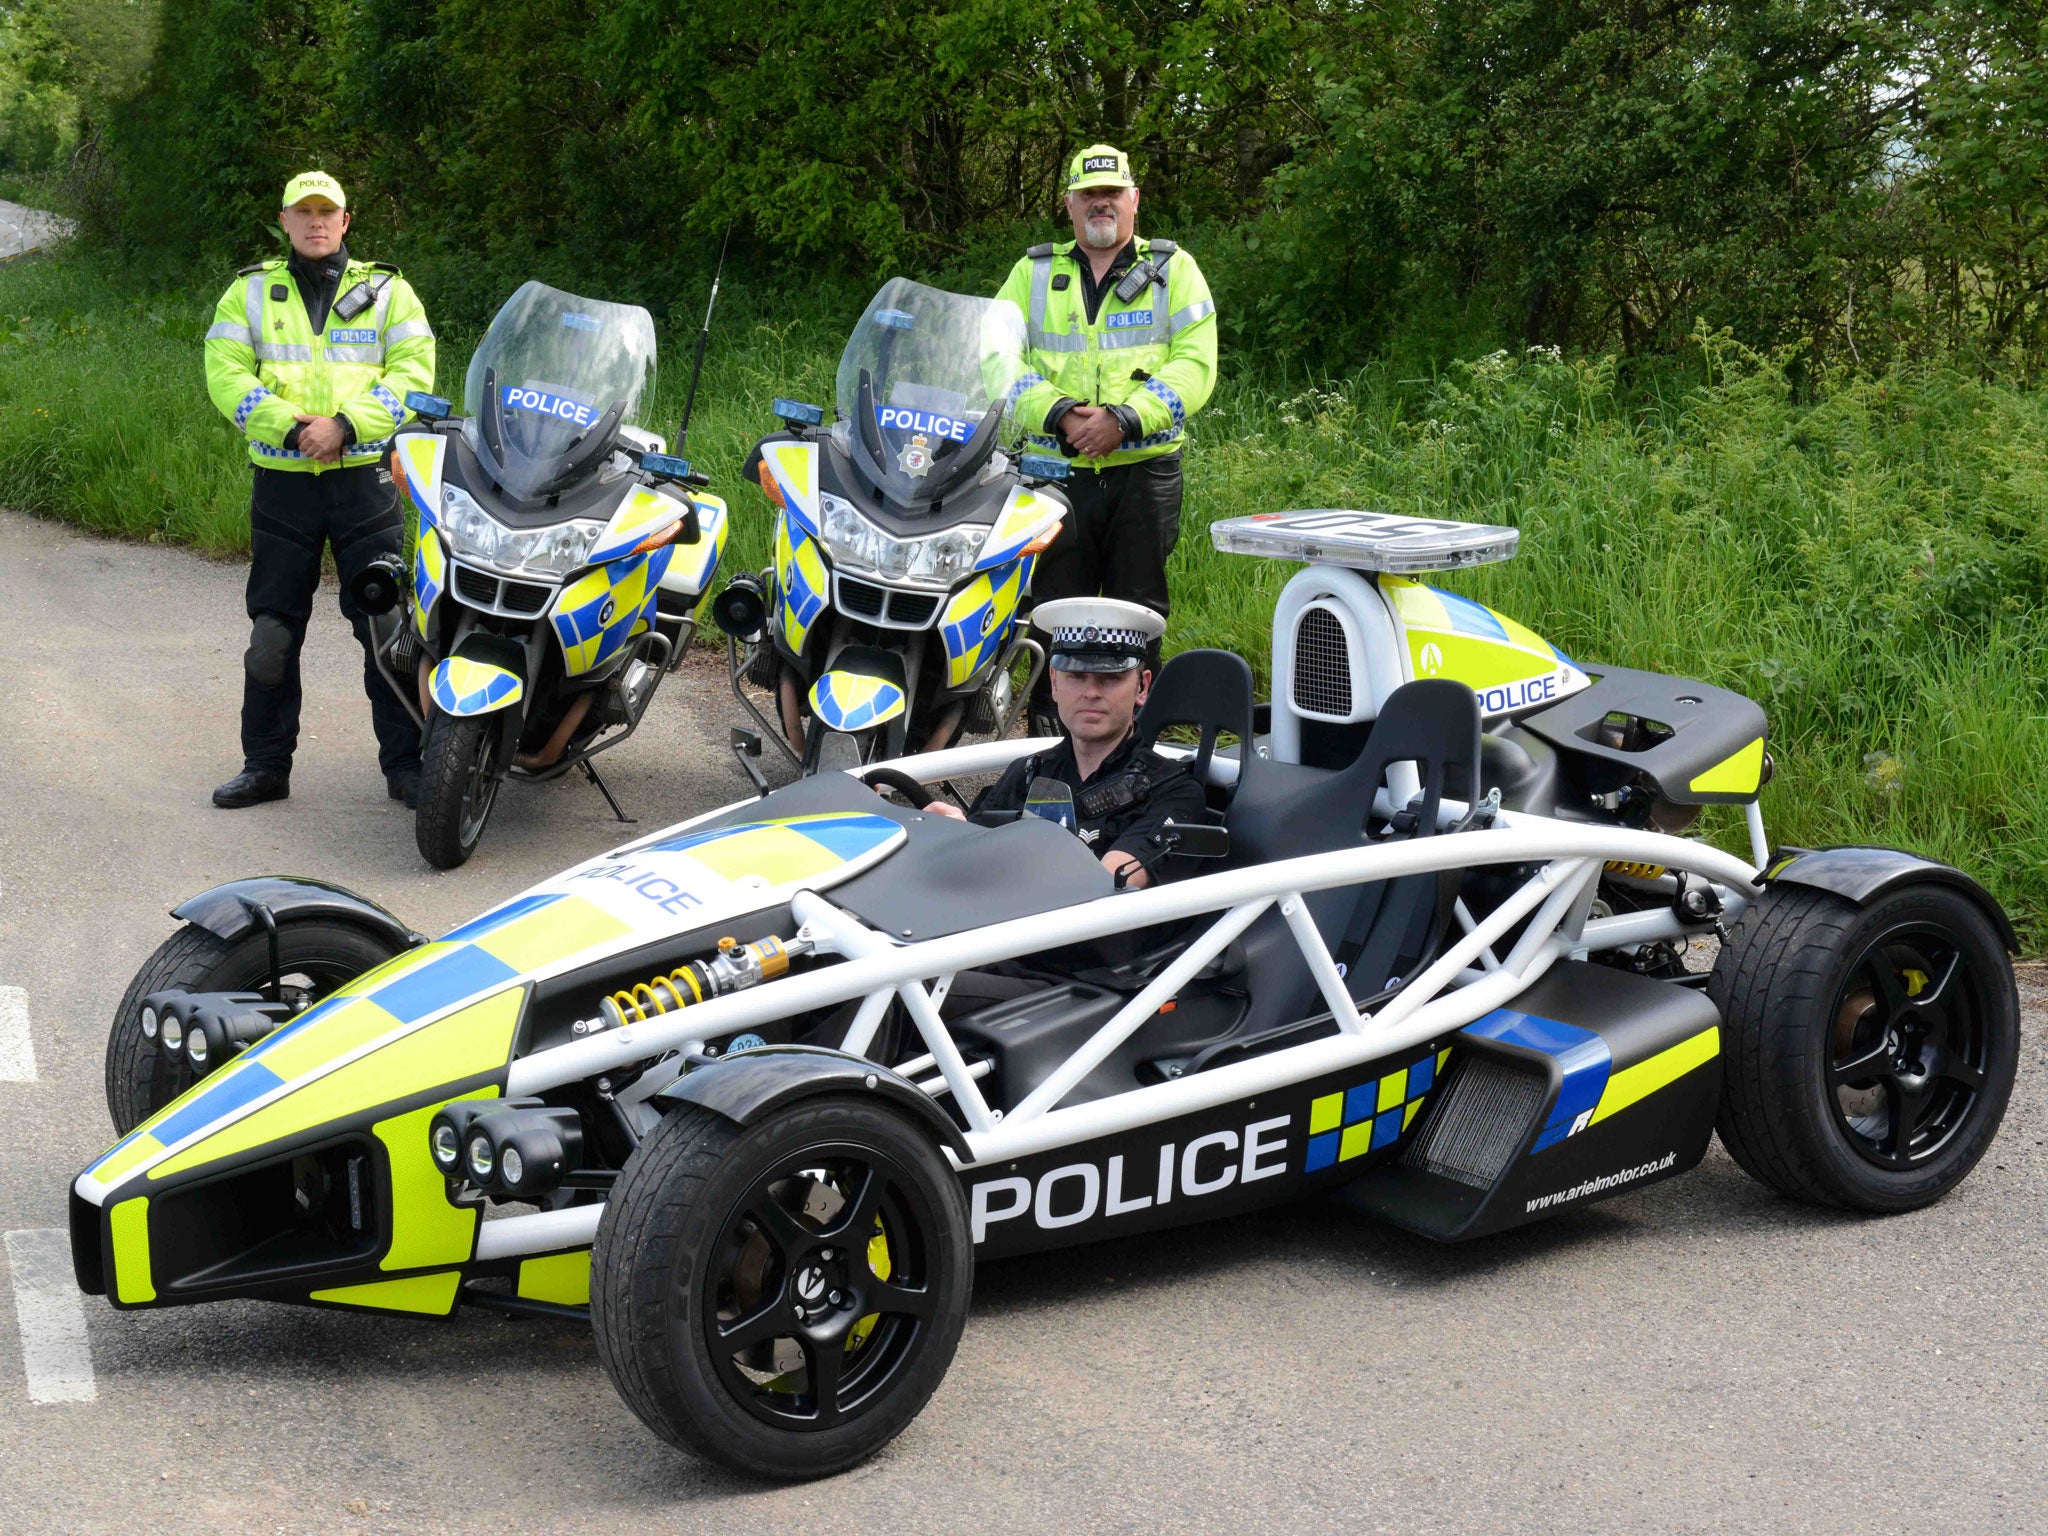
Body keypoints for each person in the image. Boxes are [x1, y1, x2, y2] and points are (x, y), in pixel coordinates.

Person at [202, 170, 435, 809]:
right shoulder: (249, 292)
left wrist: (348, 426)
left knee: (387, 630)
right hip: (283, 485)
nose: (315, 222)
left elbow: (413, 373)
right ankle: (266, 767)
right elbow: (223, 371)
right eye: (302, 212)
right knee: (272, 636)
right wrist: (286, 425)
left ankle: (409, 768)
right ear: (284, 221)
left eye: (325, 212)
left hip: (364, 483)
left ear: (345, 221)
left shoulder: (390, 292)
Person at [994, 144, 1218, 723]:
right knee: (1050, 615)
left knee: (1137, 615)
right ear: (1069, 204)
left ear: (1134, 201)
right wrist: (1062, 414)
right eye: (1089, 194)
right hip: (1052, 478)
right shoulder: (1033, 272)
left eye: (1112, 193)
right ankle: (1047, 744)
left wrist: (1125, 420)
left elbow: (1196, 364)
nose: (1101, 204)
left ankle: (1134, 742)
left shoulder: (1175, 271)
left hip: (1144, 478)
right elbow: (994, 358)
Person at [925, 598, 1207, 889]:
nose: (1091, 692)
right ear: (1054, 683)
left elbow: (1103, 888)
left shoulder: (1172, 792)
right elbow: (972, 862)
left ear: (1142, 687)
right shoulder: (1029, 772)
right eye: (1076, 676)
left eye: (1110, 678)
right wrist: (952, 834)